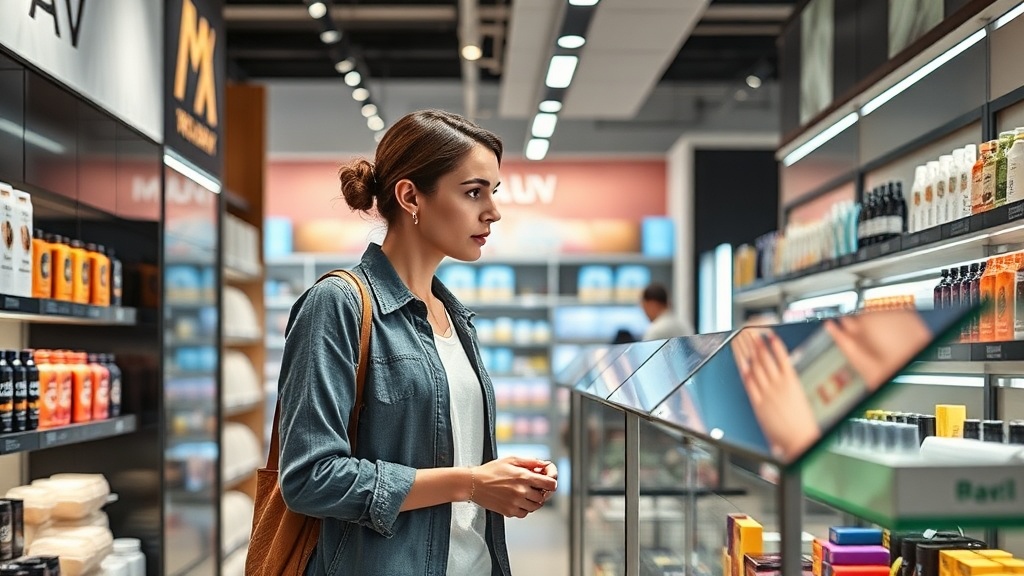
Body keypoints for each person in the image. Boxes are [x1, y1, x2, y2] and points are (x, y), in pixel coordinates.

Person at [277, 110, 558, 576]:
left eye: (494, 191)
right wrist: (470, 483)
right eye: (473, 192)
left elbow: (442, 456)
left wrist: (501, 479)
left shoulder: (455, 317)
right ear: (410, 196)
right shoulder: (338, 304)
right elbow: (310, 479)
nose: (493, 211)